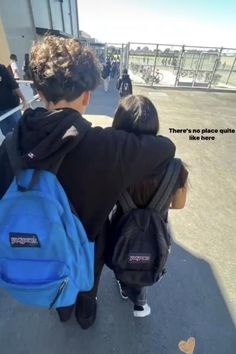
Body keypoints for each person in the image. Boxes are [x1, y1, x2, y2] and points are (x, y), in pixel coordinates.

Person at [0, 36, 175, 329]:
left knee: (52, 269)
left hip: (36, 246)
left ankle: (62, 310)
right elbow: (165, 148)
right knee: (87, 281)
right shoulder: (107, 148)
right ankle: (85, 315)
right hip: (89, 242)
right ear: (87, 96)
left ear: (39, 92)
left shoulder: (10, 146)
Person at [110, 95, 188, 317]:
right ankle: (140, 300)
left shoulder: (113, 163)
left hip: (121, 225)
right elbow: (180, 204)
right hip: (157, 225)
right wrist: (156, 204)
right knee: (147, 250)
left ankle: (124, 284)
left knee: (125, 250)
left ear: (118, 124)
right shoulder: (175, 167)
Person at [0, 64, 27, 136]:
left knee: (20, 129)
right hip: (0, 110)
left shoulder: (1, 68)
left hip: (11, 106)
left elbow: (13, 84)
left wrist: (23, 99)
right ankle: (14, 146)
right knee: (7, 133)